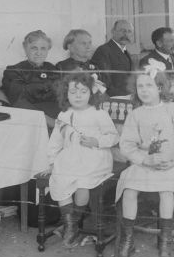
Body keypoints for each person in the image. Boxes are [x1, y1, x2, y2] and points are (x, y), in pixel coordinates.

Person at [115, 62, 174, 257]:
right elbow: (127, 145)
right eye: (140, 86)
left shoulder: (173, 109)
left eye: (149, 85)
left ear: (160, 88)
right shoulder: (136, 114)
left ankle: (164, 242)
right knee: (129, 189)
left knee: (165, 191)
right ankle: (128, 240)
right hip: (146, 164)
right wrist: (145, 159)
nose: (144, 90)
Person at [46, 73, 119, 247]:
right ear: (66, 94)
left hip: (95, 158)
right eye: (73, 92)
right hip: (70, 157)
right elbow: (55, 141)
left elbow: (114, 137)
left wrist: (96, 141)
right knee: (60, 180)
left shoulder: (98, 114)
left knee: (82, 184)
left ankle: (73, 223)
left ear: (91, 93)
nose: (78, 96)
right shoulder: (64, 115)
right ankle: (71, 226)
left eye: (83, 92)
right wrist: (51, 161)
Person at [2, 30, 60, 129]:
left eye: (43, 48)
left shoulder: (53, 69)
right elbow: (17, 100)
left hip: (56, 115)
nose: (39, 53)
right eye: (34, 48)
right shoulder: (14, 70)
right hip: (30, 119)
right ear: (25, 48)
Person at [92, 20, 135, 96]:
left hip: (128, 96)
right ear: (113, 31)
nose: (126, 34)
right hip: (115, 98)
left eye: (129, 31)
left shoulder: (126, 52)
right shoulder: (104, 50)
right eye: (122, 30)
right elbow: (104, 81)